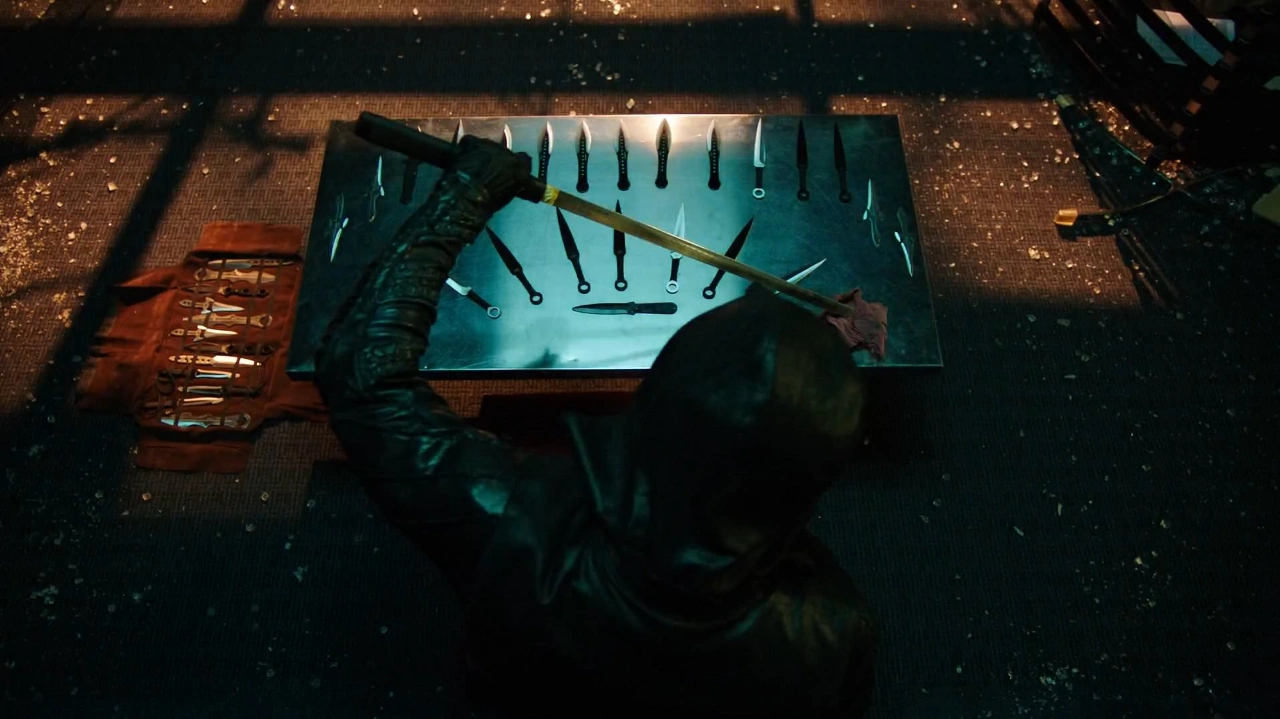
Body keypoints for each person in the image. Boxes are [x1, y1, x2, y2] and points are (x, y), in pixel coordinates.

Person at [315, 136, 876, 718]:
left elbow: (362, 376)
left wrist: (465, 193)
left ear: (654, 399)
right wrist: (811, 369)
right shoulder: (833, 631)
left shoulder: (511, 519)